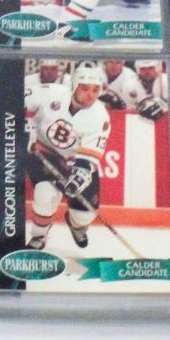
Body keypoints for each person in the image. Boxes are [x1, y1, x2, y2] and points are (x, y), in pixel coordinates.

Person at [25, 64, 113, 250]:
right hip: (43, 152)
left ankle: (77, 225)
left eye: (95, 90)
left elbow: (88, 160)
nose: (90, 95)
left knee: (84, 215)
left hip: (74, 162)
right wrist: (24, 127)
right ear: (73, 85)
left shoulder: (100, 117)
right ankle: (39, 236)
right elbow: (11, 100)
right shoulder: (51, 92)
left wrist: (78, 179)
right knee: (46, 194)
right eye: (85, 88)